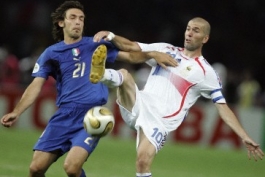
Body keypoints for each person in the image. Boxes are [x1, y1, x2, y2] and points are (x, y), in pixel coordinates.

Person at [0, 1, 177, 177]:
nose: (78, 22)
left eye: (81, 19)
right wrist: (17, 111)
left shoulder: (95, 45)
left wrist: (152, 54)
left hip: (92, 117)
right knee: (35, 169)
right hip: (64, 115)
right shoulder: (51, 53)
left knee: (71, 168)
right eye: (73, 18)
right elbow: (35, 85)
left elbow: (130, 56)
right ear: (61, 22)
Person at [92, 17, 264, 177]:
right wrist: (110, 36)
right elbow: (131, 48)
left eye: (196, 30)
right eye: (188, 29)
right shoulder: (165, 49)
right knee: (124, 75)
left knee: (143, 161)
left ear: (205, 38)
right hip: (139, 103)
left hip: (160, 121)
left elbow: (223, 107)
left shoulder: (206, 73)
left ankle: (104, 74)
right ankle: (101, 74)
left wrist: (244, 136)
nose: (189, 33)